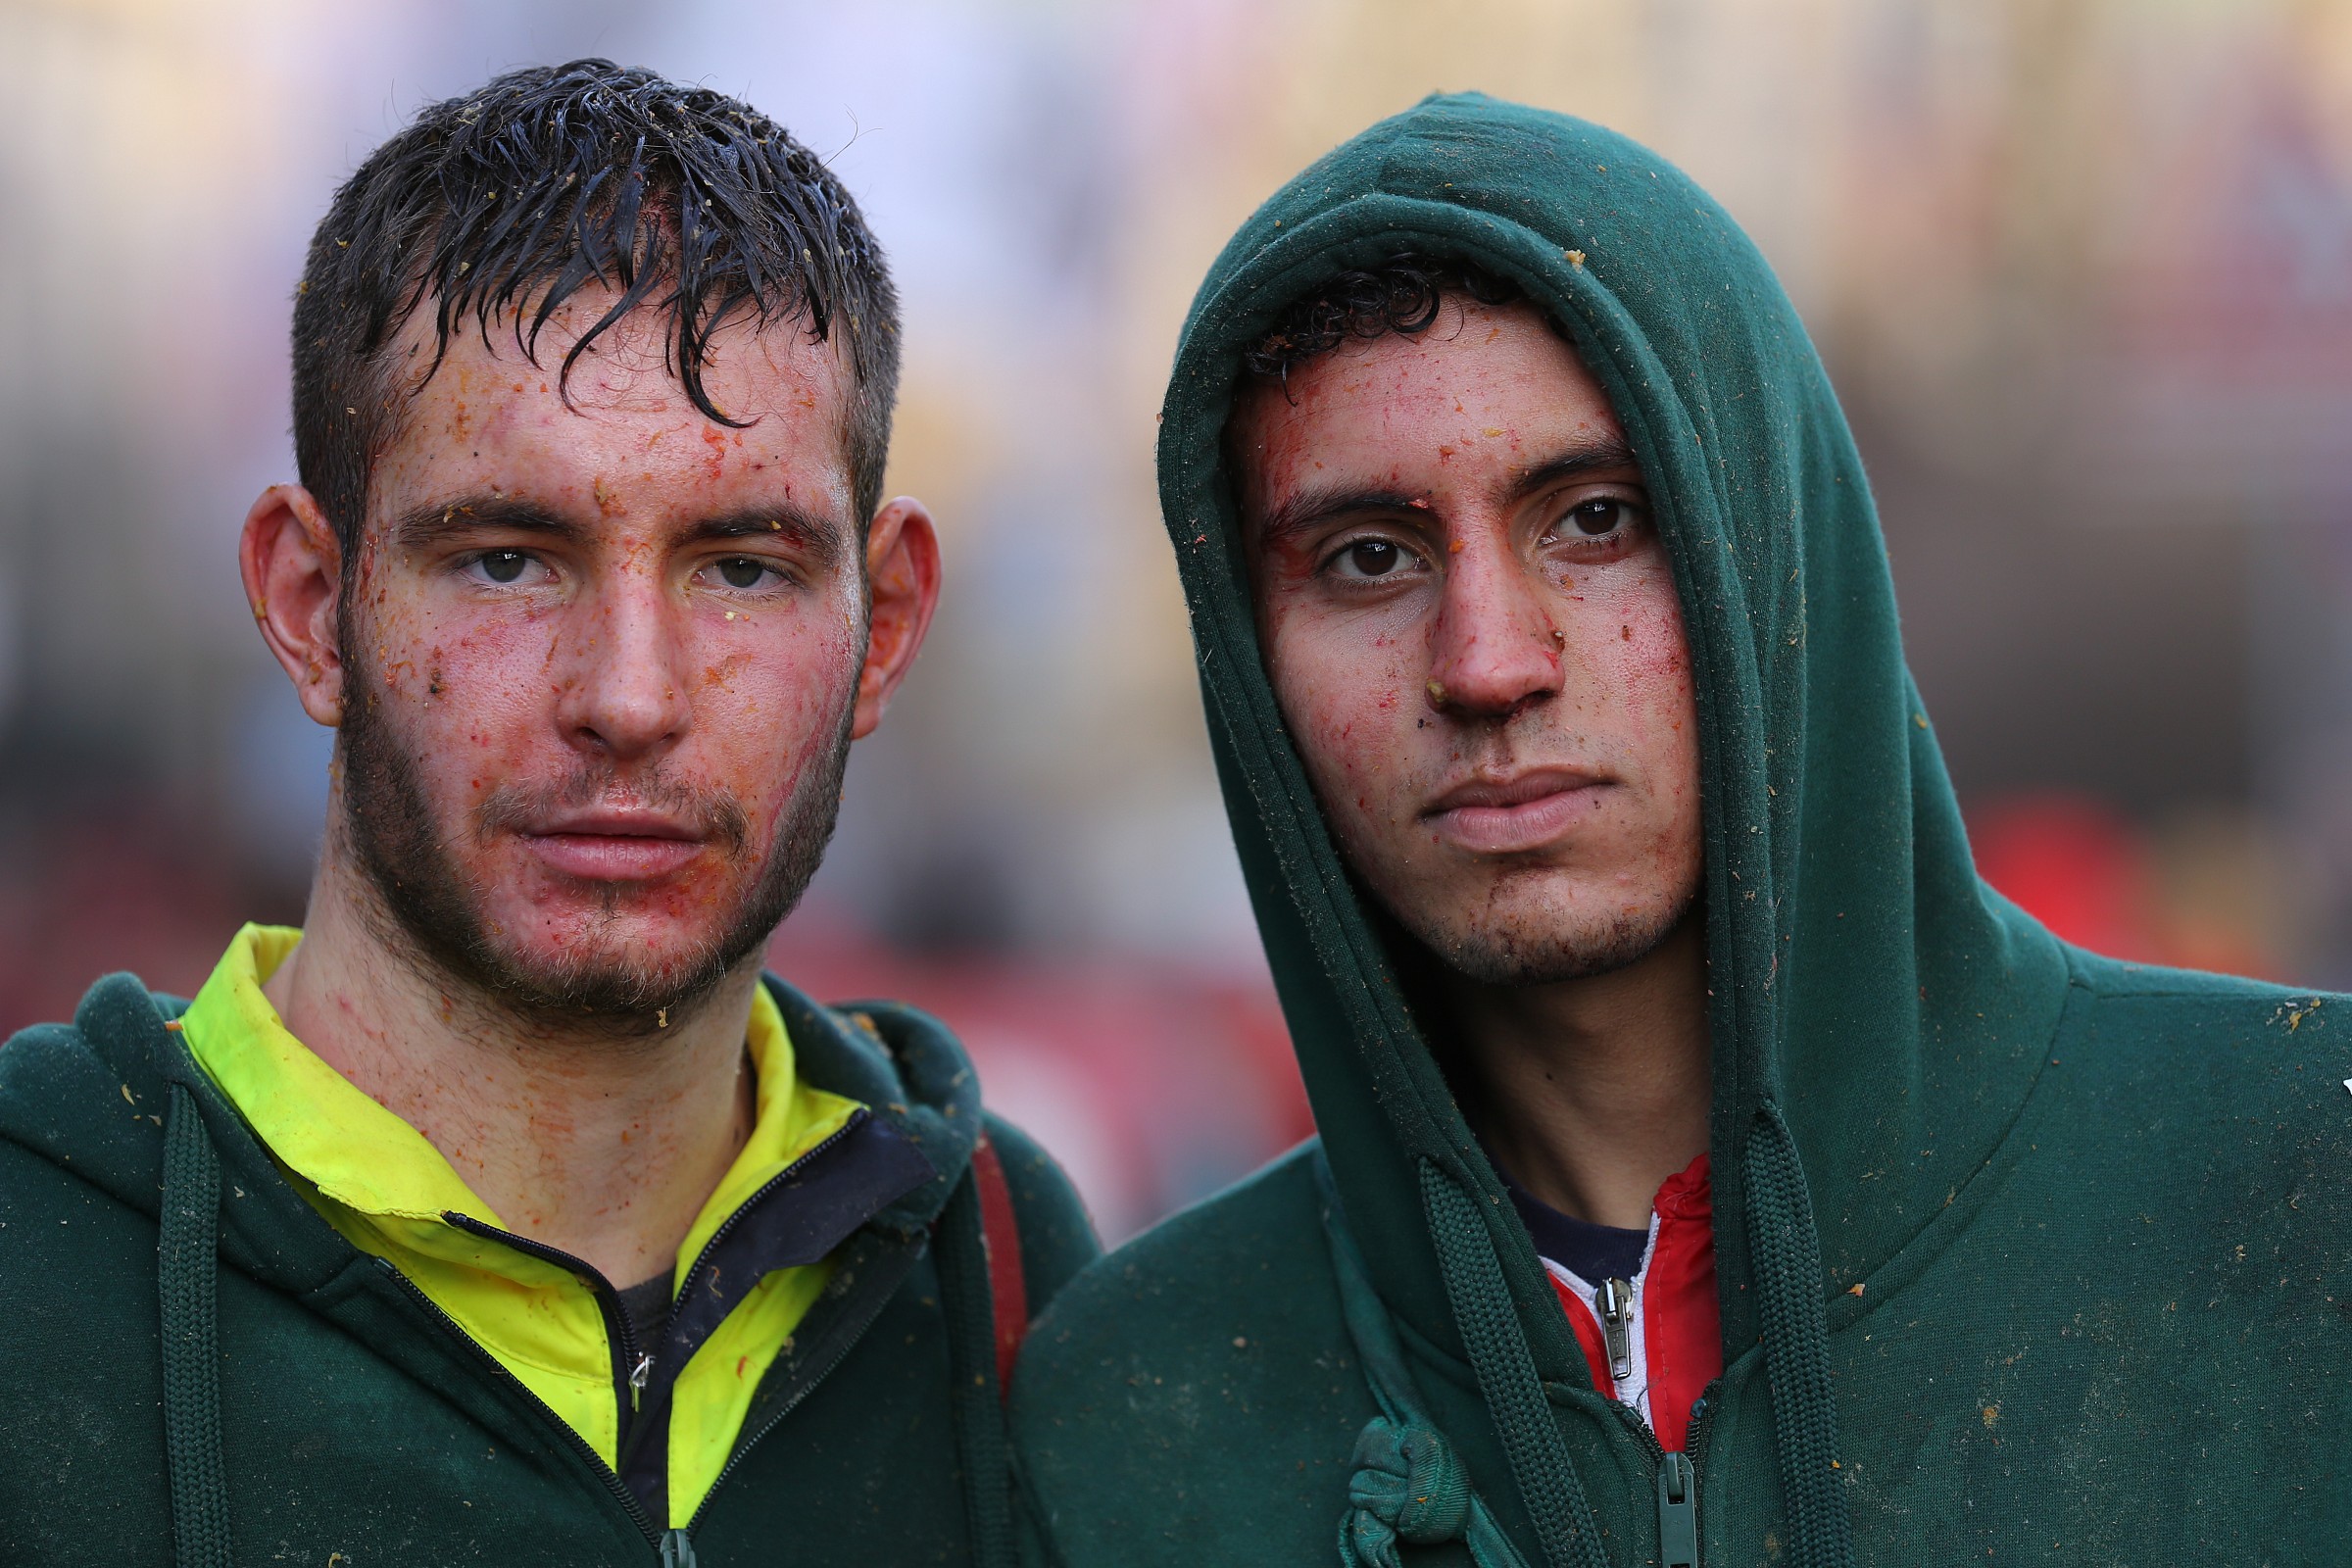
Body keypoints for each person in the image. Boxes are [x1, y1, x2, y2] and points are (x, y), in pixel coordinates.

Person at [1011, 94, 2351, 1565]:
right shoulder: (1148, 1410)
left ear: (1770, 544)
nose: (1486, 661)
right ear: (1251, 653)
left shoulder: (2294, 1183)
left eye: (1595, 520)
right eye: (1369, 557)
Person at [0, 60, 1094, 1567]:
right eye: (509, 557)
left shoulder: (1012, 1276)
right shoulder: (33, 1263)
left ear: (885, 624)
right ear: (312, 607)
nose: (630, 696)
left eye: (742, 566)